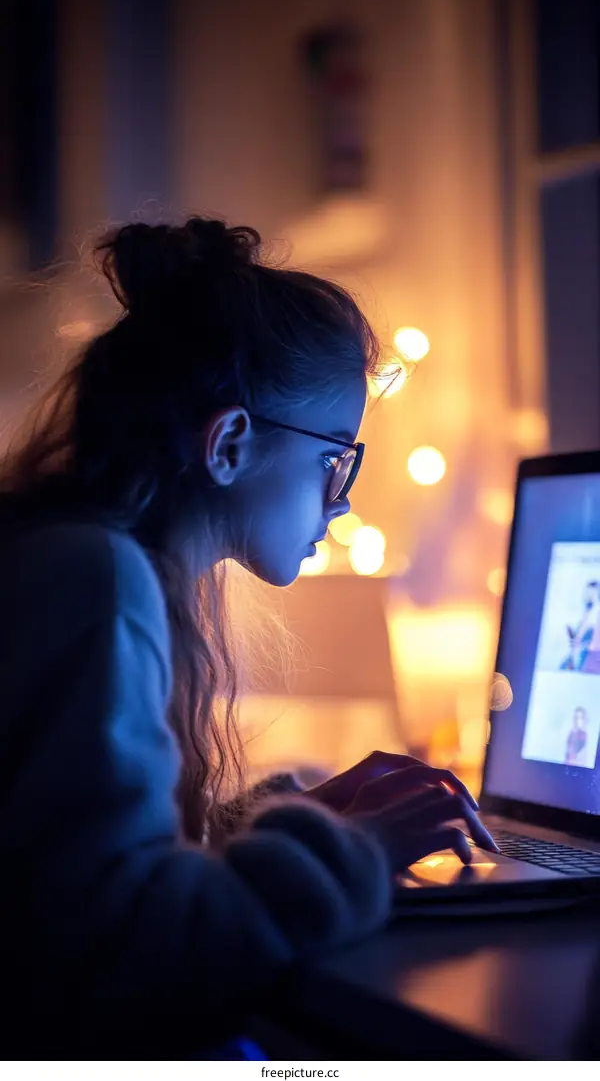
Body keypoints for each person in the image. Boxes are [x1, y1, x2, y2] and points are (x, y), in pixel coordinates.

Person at [0, 217, 496, 1058]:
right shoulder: (96, 580)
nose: (341, 501)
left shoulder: (86, 559)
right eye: (334, 459)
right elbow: (122, 949)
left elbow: (83, 871)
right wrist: (354, 851)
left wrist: (289, 819)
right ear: (229, 443)